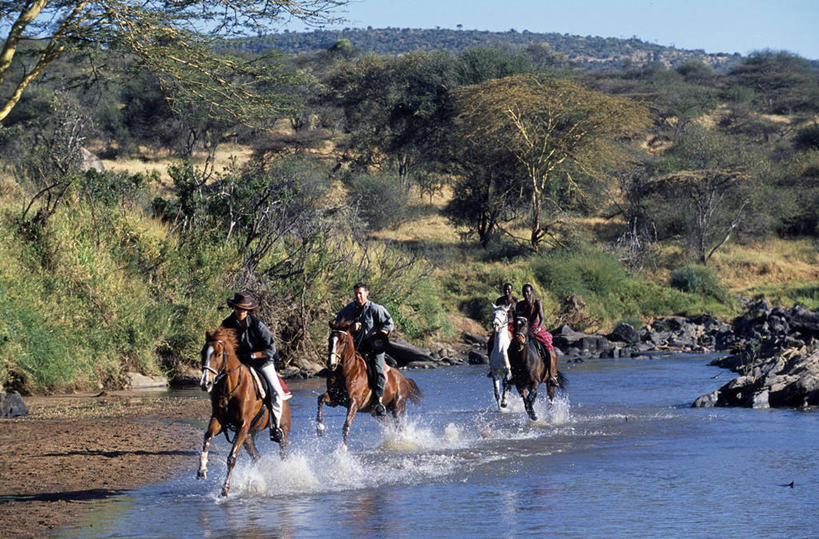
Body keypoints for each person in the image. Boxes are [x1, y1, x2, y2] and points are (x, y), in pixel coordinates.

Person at [221, 291, 292, 442]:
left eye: (243, 309)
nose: (240, 312)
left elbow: (271, 348)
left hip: (262, 363)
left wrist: (253, 356)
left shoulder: (257, 325)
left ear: (248, 310)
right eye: (238, 308)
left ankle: (276, 427)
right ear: (234, 308)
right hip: (239, 363)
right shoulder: (226, 324)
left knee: (276, 392)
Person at [335, 282, 394, 416]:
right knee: (337, 365)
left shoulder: (376, 309)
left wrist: (380, 334)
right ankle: (336, 394)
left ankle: (378, 401)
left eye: (360, 293)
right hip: (356, 348)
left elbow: (389, 323)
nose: (358, 296)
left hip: (374, 347)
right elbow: (337, 326)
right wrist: (351, 328)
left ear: (367, 293)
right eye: (356, 293)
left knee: (377, 368)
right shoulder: (347, 310)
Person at [514, 284, 559, 386]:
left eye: (528, 291)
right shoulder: (520, 304)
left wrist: (538, 328)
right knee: (513, 346)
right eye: (524, 292)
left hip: (536, 328)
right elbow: (517, 317)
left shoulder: (537, 303)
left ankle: (552, 375)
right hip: (524, 329)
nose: (526, 294)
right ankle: (514, 374)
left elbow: (542, 319)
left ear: (531, 292)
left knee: (548, 347)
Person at [487, 283, 517, 355]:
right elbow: (497, 312)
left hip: (512, 325)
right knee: (491, 340)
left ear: (511, 290)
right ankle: (491, 356)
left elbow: (518, 314)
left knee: (517, 340)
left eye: (508, 289)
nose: (506, 291)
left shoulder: (516, 301)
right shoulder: (499, 300)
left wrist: (512, 320)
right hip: (501, 325)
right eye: (505, 289)